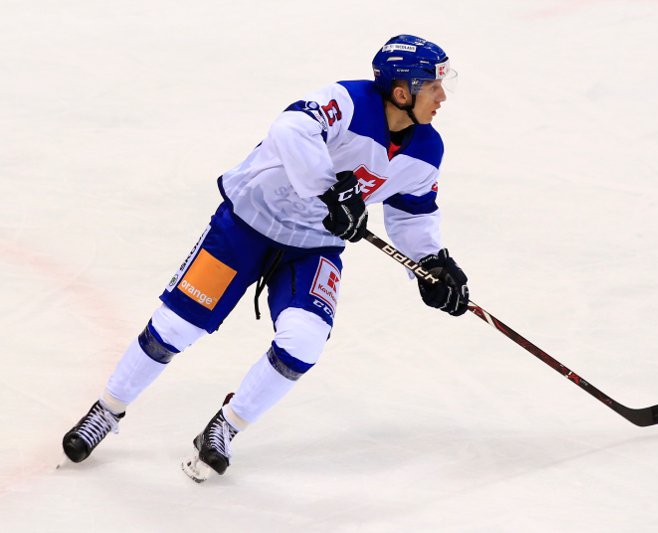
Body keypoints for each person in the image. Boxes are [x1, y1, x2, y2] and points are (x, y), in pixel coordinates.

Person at [61, 34, 470, 482]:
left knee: (305, 340)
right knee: (176, 327)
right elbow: (290, 129)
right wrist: (328, 189)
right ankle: (107, 410)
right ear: (402, 91)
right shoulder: (347, 101)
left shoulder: (427, 149)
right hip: (246, 226)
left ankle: (225, 427)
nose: (442, 96)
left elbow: (412, 213)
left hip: (313, 247)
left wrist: (431, 263)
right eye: (434, 86)